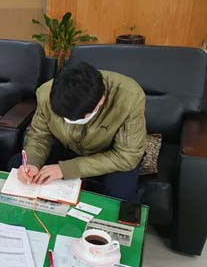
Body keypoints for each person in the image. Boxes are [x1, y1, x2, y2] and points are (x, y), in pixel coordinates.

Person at [12, 62, 146, 202]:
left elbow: (127, 155)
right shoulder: (46, 93)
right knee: (16, 166)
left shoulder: (129, 98)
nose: (70, 122)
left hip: (110, 156)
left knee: (120, 196)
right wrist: (32, 163)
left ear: (101, 101)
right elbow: (39, 137)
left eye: (78, 119)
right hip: (68, 147)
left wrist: (66, 169)